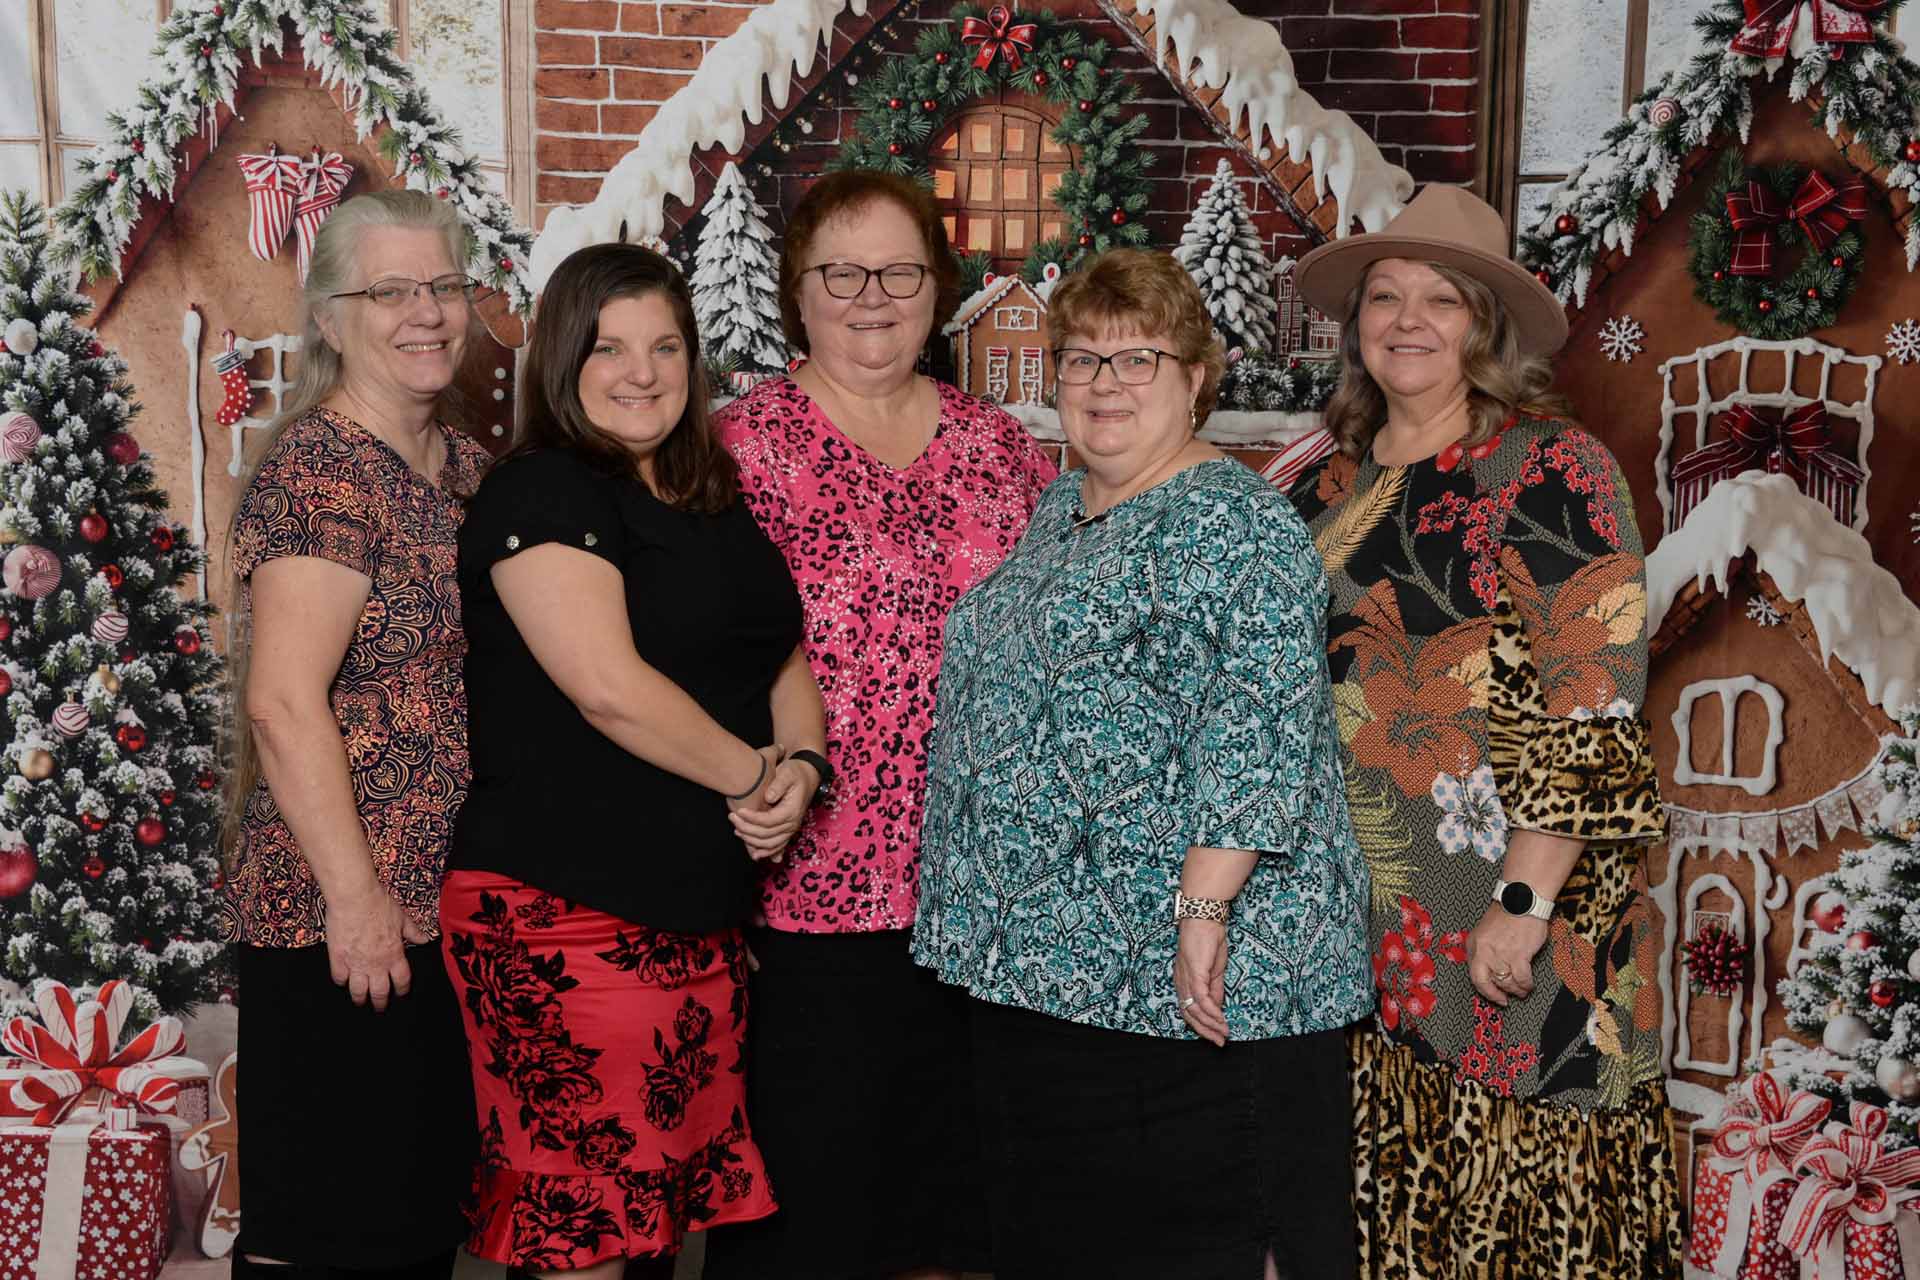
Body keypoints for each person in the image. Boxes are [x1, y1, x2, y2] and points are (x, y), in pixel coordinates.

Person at [912, 247, 1373, 1280]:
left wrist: (1203, 910)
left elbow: (1260, 724)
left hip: (1184, 990)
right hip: (1049, 978)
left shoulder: (1237, 519)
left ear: (1196, 376)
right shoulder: (1062, 507)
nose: (1104, 384)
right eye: (1082, 359)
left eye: (1137, 359)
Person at [1285, 184, 1681, 1277]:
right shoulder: (1329, 480)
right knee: (1390, 1215)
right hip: (1363, 922)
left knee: (1521, 1217)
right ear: (1356, 324)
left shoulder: (1550, 467)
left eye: (1442, 299)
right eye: (1385, 296)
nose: (1408, 320)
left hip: (1512, 916)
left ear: (1486, 326)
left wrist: (1524, 900)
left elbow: (1593, 698)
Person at [439, 243, 819, 1278]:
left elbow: (779, 651)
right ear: (562, 360)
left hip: (695, 919)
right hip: (564, 912)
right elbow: (606, 687)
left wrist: (802, 769)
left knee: (652, 1224)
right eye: (608, 348)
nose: (641, 372)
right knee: (585, 1232)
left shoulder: (706, 498)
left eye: (665, 346)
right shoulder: (540, 492)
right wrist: (755, 778)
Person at [702, 170, 1057, 1280]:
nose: (872, 298)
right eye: (842, 273)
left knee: (957, 1221)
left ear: (937, 290)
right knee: (811, 1218)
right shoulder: (731, 450)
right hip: (805, 891)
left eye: (899, 272)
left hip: (982, 895)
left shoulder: (1004, 448)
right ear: (797, 293)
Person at [219, 189, 491, 1279]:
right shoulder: (321, 474)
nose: (426, 311)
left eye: (444, 285)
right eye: (390, 291)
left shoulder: (465, 467)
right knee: (331, 1233)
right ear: (330, 318)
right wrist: (359, 900)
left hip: (439, 910)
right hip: (337, 920)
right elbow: (282, 704)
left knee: (412, 1224)